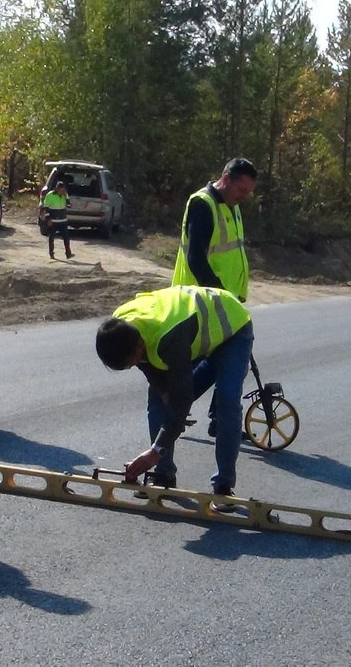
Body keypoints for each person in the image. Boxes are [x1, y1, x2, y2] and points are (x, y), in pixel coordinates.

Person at [95, 285, 253, 505]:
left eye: (131, 362)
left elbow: (182, 399)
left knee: (227, 401)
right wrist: (164, 391)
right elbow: (146, 364)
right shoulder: (121, 327)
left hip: (230, 327)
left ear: (139, 345)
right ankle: (163, 475)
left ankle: (223, 486)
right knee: (159, 399)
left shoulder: (168, 338)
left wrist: (156, 450)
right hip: (195, 330)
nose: (135, 366)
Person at [171, 157, 257, 302]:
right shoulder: (203, 205)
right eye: (241, 190)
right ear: (226, 179)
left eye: (248, 193)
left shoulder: (232, 205)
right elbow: (196, 259)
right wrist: (219, 296)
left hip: (224, 300)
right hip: (199, 301)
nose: (244, 197)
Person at [41, 181, 72, 259]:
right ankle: (51, 253)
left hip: (63, 220)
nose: (62, 192)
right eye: (60, 190)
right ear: (57, 189)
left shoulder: (64, 194)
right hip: (53, 220)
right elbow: (46, 208)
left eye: (63, 190)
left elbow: (69, 205)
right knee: (52, 237)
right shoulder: (50, 195)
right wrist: (48, 219)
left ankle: (68, 253)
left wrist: (66, 197)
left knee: (66, 237)